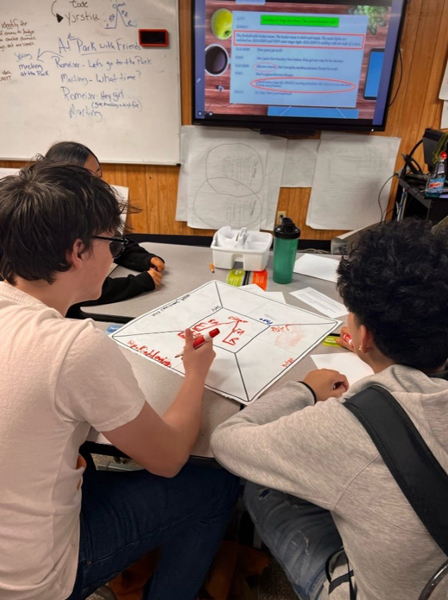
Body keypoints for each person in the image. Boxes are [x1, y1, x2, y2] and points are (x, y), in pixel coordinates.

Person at [0, 161, 239, 600]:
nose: (115, 255)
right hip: (30, 582)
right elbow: (166, 459)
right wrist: (196, 374)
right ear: (78, 251)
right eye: (113, 241)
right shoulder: (72, 347)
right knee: (217, 486)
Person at [211, 219, 448, 600]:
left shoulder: (351, 424)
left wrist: (304, 390)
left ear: (362, 336)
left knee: (262, 485)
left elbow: (227, 442)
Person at [44, 141, 165, 318]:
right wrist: (141, 282)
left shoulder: (88, 209)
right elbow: (83, 289)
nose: (98, 186)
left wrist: (143, 259)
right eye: (88, 179)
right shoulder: (52, 224)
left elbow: (114, 241)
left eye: (98, 178)